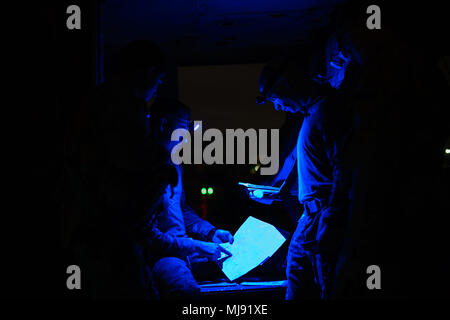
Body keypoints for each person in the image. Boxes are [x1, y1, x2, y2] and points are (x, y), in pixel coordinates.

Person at [64, 40, 169, 298]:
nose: (157, 90)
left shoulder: (97, 103)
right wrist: (161, 167)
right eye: (158, 82)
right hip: (110, 238)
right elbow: (127, 166)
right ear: (148, 73)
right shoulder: (123, 107)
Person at [256, 56, 354, 300]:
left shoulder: (327, 112)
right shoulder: (313, 113)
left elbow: (343, 172)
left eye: (275, 99)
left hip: (323, 216)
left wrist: (330, 221)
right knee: (299, 279)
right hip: (313, 216)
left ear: (285, 86)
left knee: (322, 285)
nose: (278, 107)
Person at [144, 98, 234, 300]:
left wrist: (211, 232)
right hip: (162, 256)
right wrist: (196, 246)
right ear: (163, 124)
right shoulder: (143, 169)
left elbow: (182, 209)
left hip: (183, 249)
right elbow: (149, 238)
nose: (186, 137)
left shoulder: (174, 163)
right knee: (185, 292)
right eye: (183, 128)